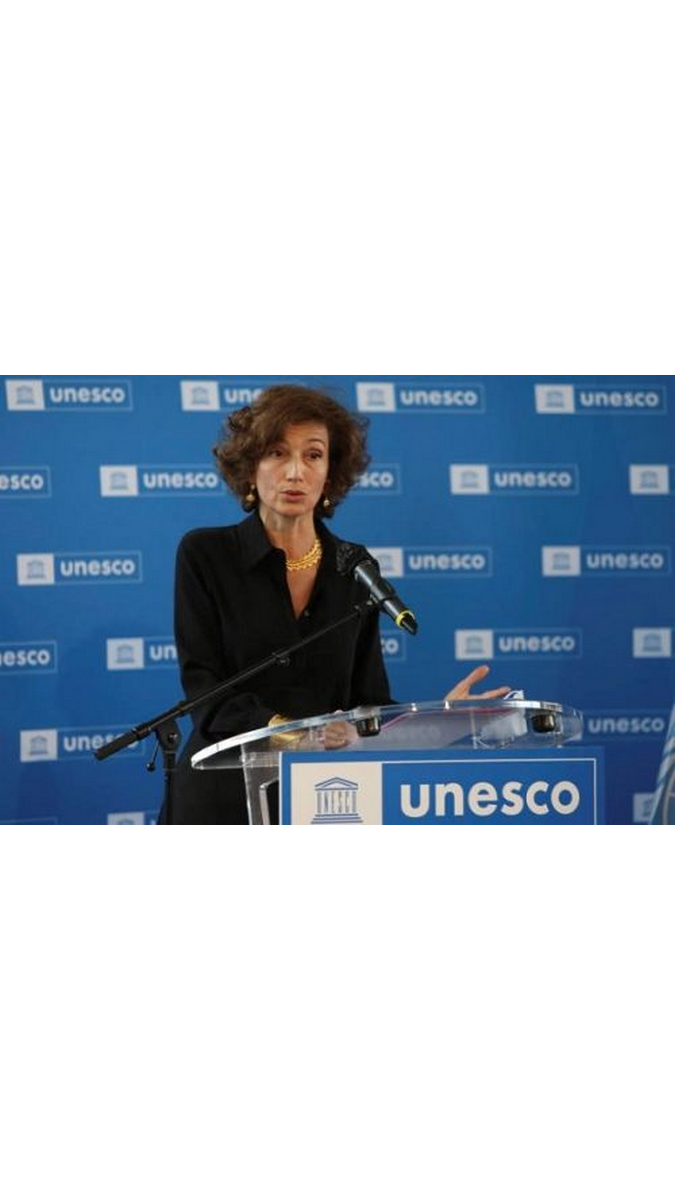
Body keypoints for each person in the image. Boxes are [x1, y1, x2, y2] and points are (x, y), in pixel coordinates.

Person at [158, 384, 509, 824]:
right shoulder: (206, 555)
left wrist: (442, 719)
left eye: (313, 455)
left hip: (324, 795)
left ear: (330, 473)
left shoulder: (355, 567)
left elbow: (369, 702)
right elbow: (205, 692)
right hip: (223, 794)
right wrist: (294, 733)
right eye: (277, 453)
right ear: (250, 466)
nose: (295, 472)